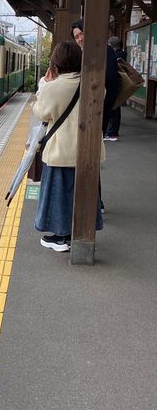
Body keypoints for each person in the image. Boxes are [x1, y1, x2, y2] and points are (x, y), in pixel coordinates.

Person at [33, 40, 104, 252]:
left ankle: (60, 237)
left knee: (58, 194)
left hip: (61, 151)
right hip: (88, 152)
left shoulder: (54, 87)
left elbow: (42, 112)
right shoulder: (94, 83)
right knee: (84, 194)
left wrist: (43, 85)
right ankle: (80, 233)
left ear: (57, 62)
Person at [71, 19, 118, 134]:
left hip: (100, 107)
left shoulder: (106, 50)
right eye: (76, 37)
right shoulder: (80, 53)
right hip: (83, 108)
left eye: (82, 34)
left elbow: (111, 80)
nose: (80, 39)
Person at [104, 36, 126, 141]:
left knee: (113, 108)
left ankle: (112, 132)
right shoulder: (122, 53)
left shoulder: (115, 55)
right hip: (118, 84)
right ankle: (113, 131)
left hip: (114, 85)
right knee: (116, 108)